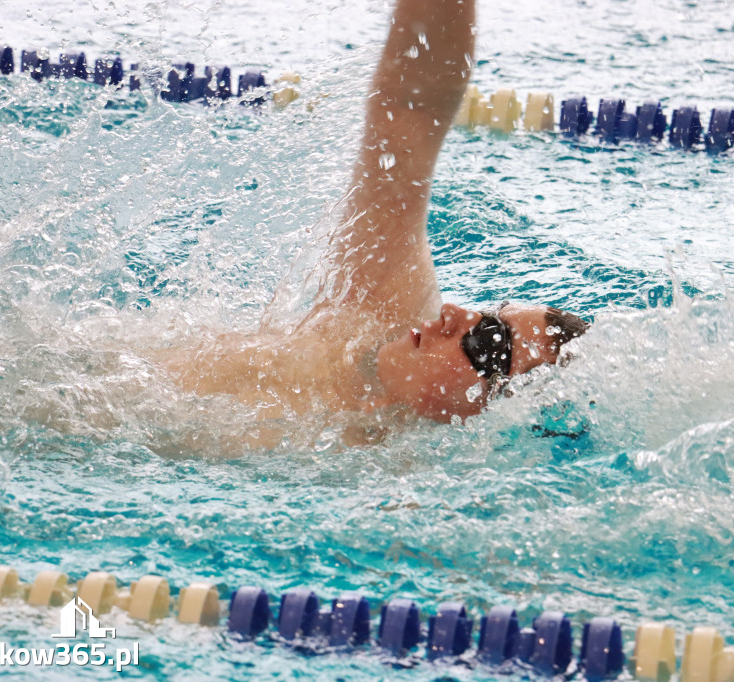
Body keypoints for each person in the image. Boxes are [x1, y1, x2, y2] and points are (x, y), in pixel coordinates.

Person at [158, 0, 589, 445]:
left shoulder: (396, 474)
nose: (455, 313)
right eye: (489, 313)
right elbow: (412, 109)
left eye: (486, 341)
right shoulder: (379, 315)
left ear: (501, 411)